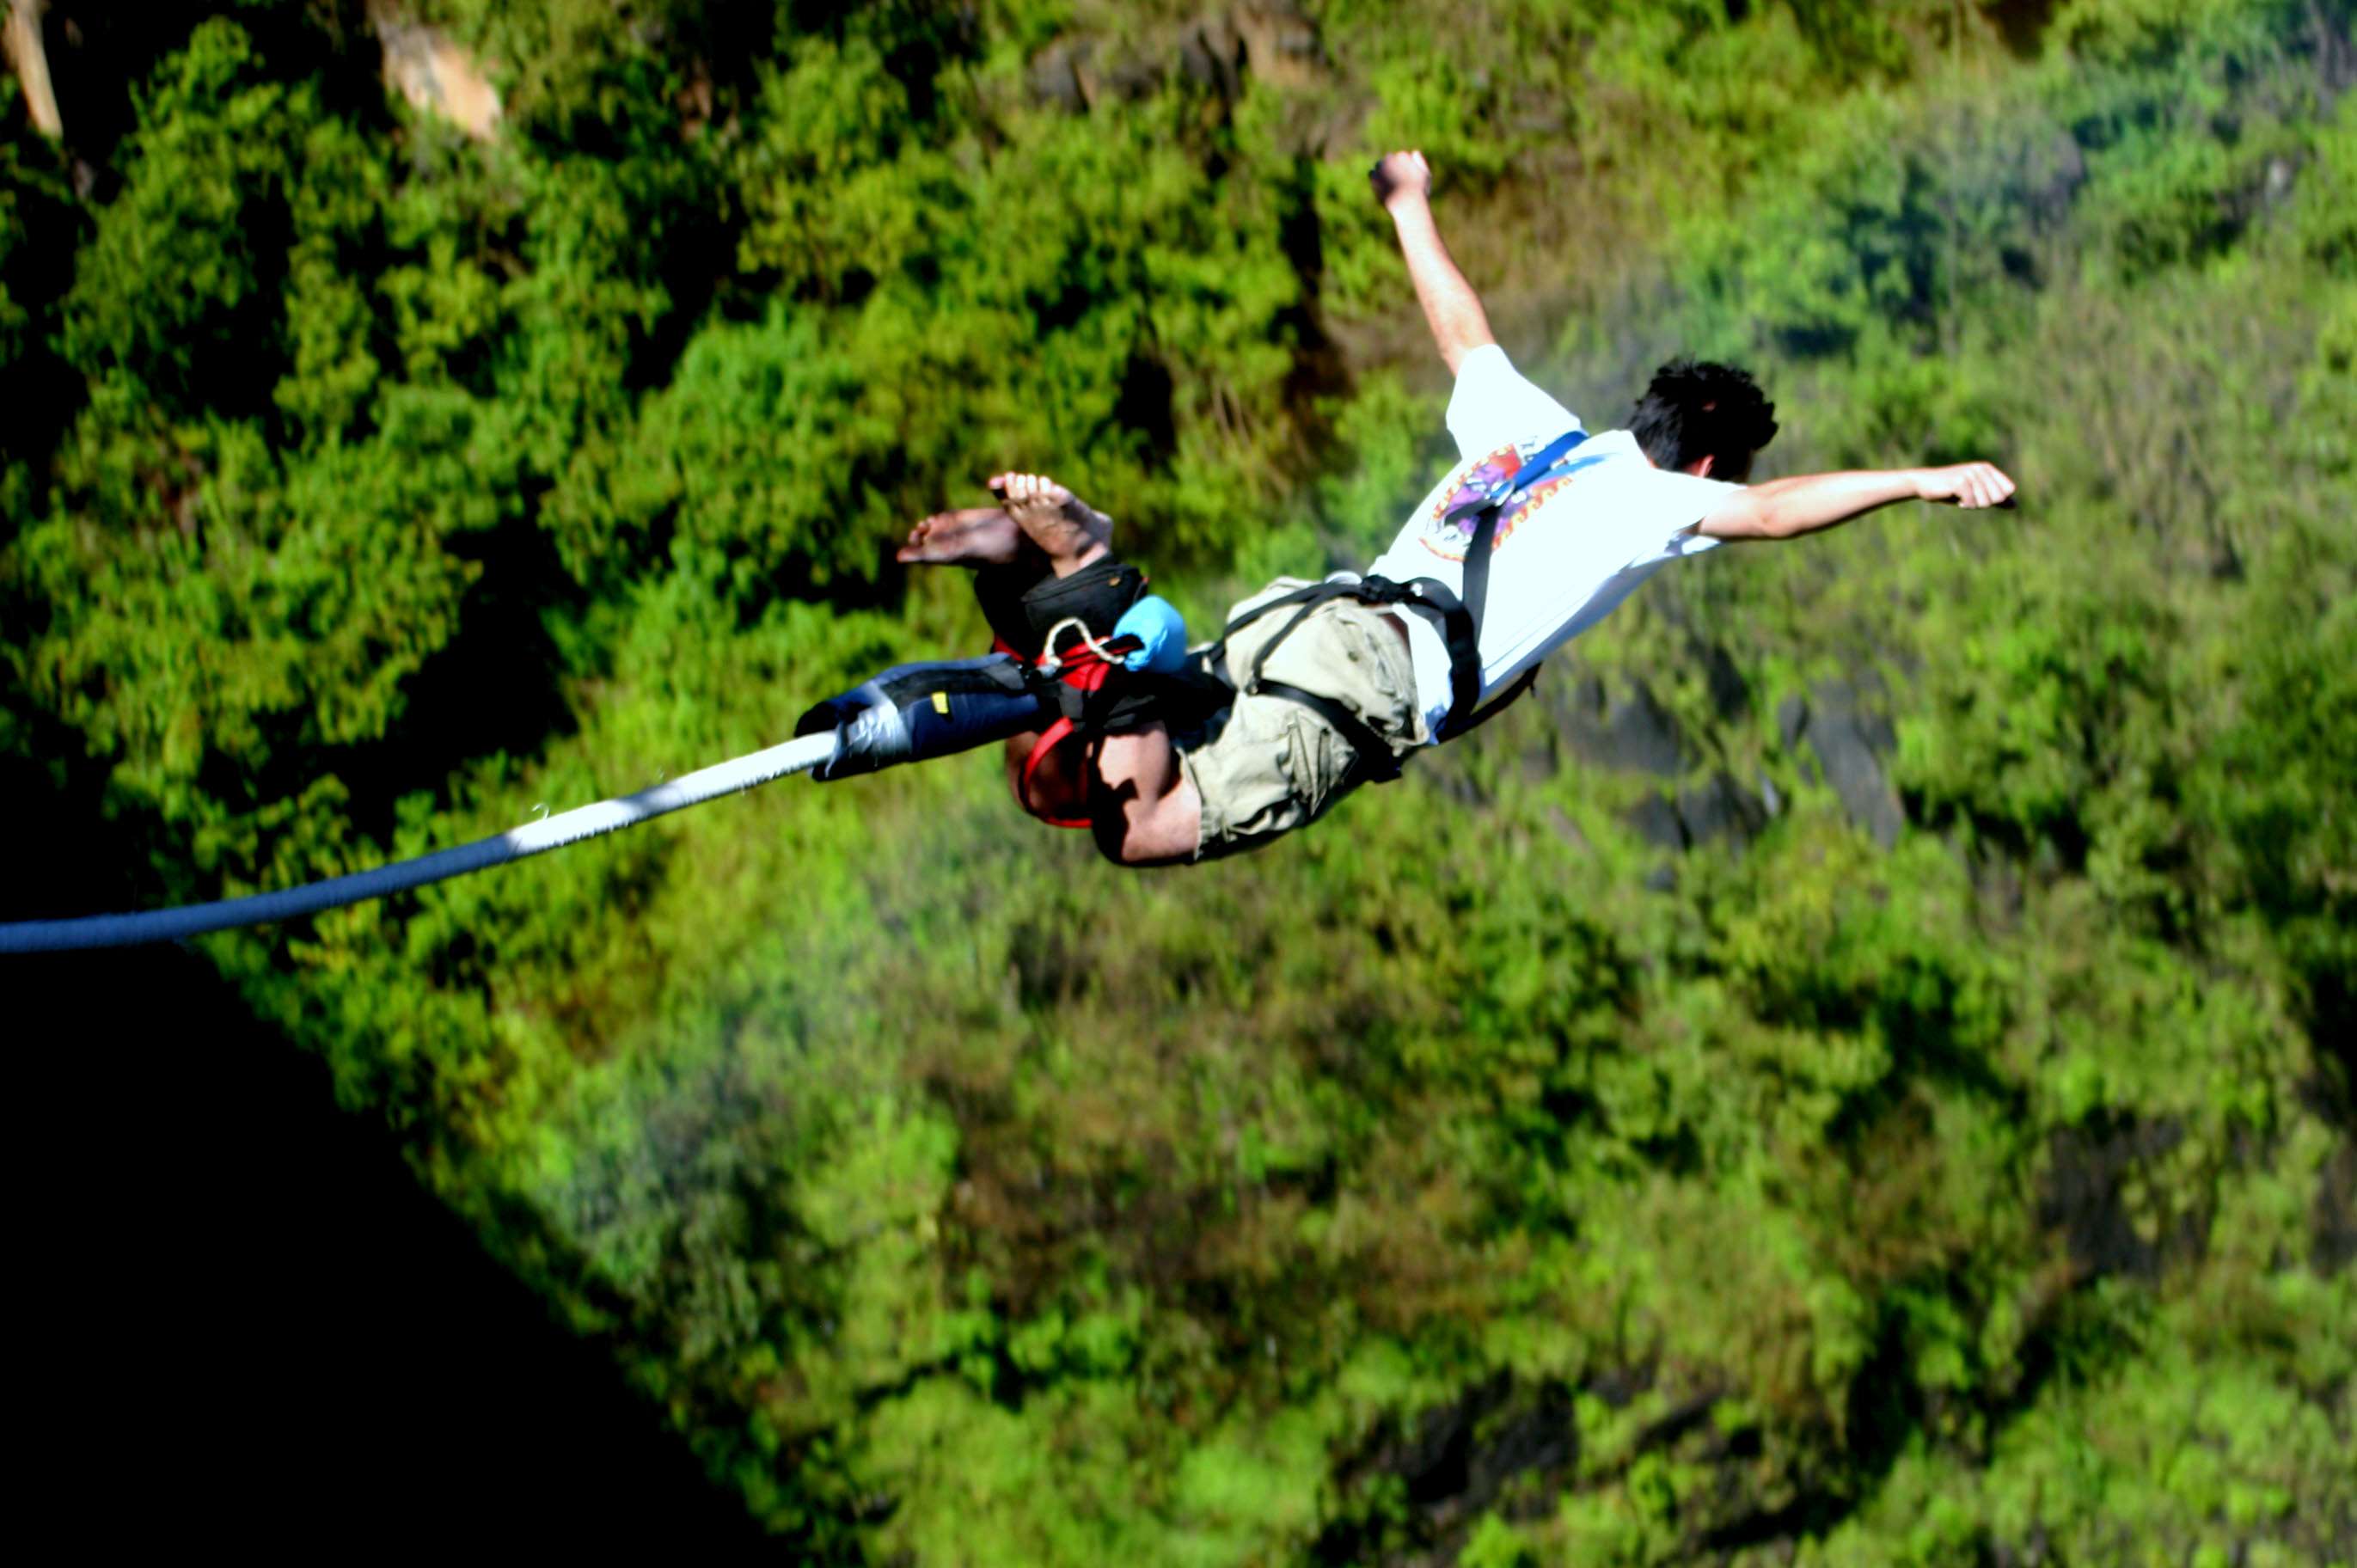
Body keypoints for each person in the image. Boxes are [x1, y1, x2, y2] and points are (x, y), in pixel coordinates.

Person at [896, 150, 2016, 867]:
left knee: (1080, 772)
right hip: (1366, 683)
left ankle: (1056, 601)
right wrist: (1918, 480)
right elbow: (1773, 514)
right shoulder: (1651, 502)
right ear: (1706, 463)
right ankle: (1098, 594)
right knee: (1134, 830)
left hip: (1303, 617)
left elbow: (1459, 327)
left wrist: (1407, 202)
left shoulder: (1531, 434)